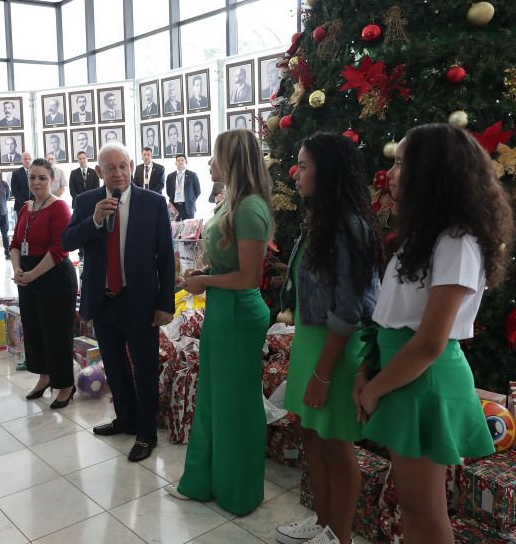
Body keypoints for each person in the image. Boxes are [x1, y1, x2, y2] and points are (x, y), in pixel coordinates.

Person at [354, 124, 513, 544]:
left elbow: (429, 342)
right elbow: (392, 318)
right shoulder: (425, 238)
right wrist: (367, 373)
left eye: (402, 163)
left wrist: (374, 392)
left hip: (423, 381)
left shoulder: (457, 242)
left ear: (432, 172)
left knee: (425, 512)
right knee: (412, 507)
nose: (390, 173)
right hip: (403, 377)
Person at [274, 133, 383, 544]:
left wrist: (322, 375)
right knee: (309, 433)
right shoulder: (319, 219)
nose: (295, 173)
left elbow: (349, 312)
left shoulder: (350, 227)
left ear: (328, 171)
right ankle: (321, 521)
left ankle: (340, 536)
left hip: (334, 351)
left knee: (338, 445)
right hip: (309, 343)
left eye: (303, 166)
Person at [167, 129, 273, 515]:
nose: (209, 164)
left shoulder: (248, 208)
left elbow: (248, 277)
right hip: (225, 310)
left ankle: (237, 490)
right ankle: (207, 481)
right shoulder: (235, 203)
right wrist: (209, 273)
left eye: (214, 157)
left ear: (231, 161)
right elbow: (234, 264)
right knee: (216, 400)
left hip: (237, 313)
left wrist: (205, 280)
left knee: (235, 405)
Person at [62, 143, 174, 462]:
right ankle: (125, 419)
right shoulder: (86, 202)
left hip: (139, 300)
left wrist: (165, 302)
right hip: (103, 300)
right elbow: (68, 241)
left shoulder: (152, 202)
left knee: (144, 369)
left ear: (132, 167)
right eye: (110, 168)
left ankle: (146, 432)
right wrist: (94, 221)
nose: (118, 173)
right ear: (99, 172)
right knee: (114, 365)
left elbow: (165, 256)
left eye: (123, 166)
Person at [11, 158, 77, 408]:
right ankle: (45, 376)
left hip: (54, 277)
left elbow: (59, 249)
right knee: (35, 331)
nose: (36, 182)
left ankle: (66, 385)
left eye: (42, 178)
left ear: (52, 180)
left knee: (56, 333)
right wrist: (18, 269)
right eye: (32, 178)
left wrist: (31, 274)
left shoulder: (59, 208)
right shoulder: (25, 208)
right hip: (28, 278)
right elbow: (15, 243)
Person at [166, 155, 201, 221]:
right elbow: (168, 191)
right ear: (175, 163)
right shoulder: (170, 176)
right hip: (175, 206)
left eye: (182, 160)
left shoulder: (192, 175)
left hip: (187, 205)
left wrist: (191, 199)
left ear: (186, 162)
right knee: (175, 227)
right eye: (178, 160)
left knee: (188, 227)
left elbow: (198, 191)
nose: (180, 162)